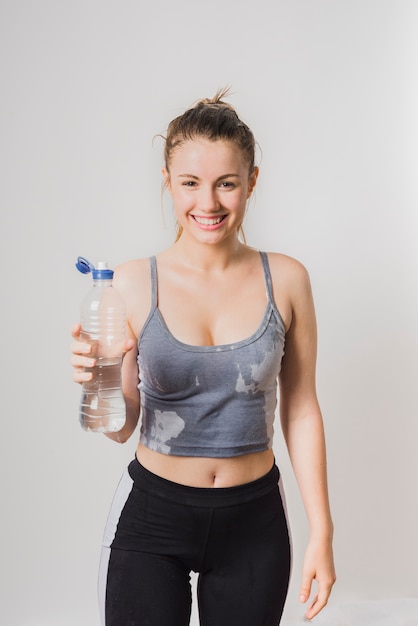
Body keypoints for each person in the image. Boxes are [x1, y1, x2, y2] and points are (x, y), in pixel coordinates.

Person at [71, 88, 336, 626]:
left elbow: (302, 408)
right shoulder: (130, 283)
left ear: (251, 182)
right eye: (190, 183)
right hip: (152, 519)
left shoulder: (286, 280)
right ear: (169, 183)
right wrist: (94, 378)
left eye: (226, 184)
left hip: (253, 523)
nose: (208, 203)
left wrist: (322, 534)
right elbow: (121, 427)